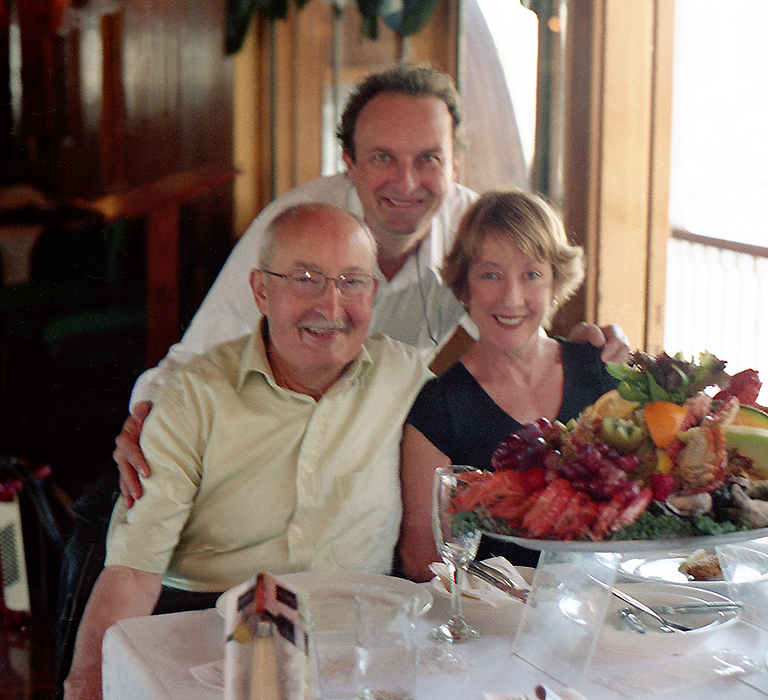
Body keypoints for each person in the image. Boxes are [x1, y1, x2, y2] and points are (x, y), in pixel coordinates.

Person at [114, 62, 630, 505]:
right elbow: (197, 354)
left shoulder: (471, 233)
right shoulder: (293, 227)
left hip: (381, 457)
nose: (406, 182)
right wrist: (148, 422)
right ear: (349, 163)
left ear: (455, 164)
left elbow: (515, 324)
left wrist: (580, 351)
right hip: (271, 445)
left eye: (428, 158)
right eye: (383, 157)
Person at [63, 203, 431, 700]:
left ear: (374, 292)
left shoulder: (405, 378)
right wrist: (89, 680)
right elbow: (133, 571)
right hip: (205, 627)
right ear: (261, 291)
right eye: (305, 279)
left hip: (355, 638)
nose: (331, 306)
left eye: (352, 282)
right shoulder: (192, 397)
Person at [397, 191, 619, 581]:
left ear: (555, 282)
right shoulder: (438, 406)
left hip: (605, 598)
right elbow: (421, 557)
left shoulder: (599, 372)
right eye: (490, 274)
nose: (511, 298)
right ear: (464, 287)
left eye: (531, 275)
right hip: (491, 612)